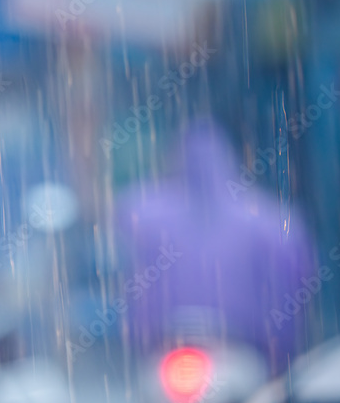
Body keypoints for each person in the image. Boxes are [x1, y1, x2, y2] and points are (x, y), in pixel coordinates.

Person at [116, 119, 315, 373]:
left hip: (164, 346)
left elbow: (118, 270)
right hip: (242, 347)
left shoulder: (139, 211)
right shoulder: (270, 220)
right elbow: (295, 279)